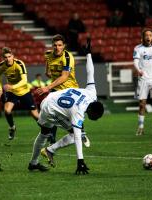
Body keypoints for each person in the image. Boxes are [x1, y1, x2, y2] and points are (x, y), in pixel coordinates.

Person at [28, 38, 104, 174]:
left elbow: (90, 73)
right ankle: (49, 150)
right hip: (50, 108)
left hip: (54, 96)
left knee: (45, 133)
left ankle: (33, 163)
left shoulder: (92, 93)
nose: (57, 47)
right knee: (78, 134)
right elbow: (76, 136)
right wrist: (80, 161)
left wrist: (88, 54)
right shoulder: (79, 111)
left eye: (60, 45)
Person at [36, 34, 89, 145]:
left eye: (60, 45)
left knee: (73, 114)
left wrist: (47, 87)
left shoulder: (68, 57)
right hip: (56, 89)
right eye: (55, 45)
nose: (57, 47)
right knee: (52, 112)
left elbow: (64, 76)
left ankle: (82, 133)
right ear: (52, 45)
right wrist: (48, 73)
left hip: (70, 89)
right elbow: (48, 68)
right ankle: (52, 140)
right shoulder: (48, 55)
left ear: (64, 46)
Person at [0, 47, 39, 140]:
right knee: (7, 110)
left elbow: (24, 81)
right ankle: (12, 128)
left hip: (24, 91)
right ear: (3, 58)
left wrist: (12, 86)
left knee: (35, 115)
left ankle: (47, 131)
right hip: (12, 92)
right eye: (5, 57)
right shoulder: (1, 66)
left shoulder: (19, 64)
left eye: (9, 56)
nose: (8, 59)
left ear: (13, 56)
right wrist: (0, 89)